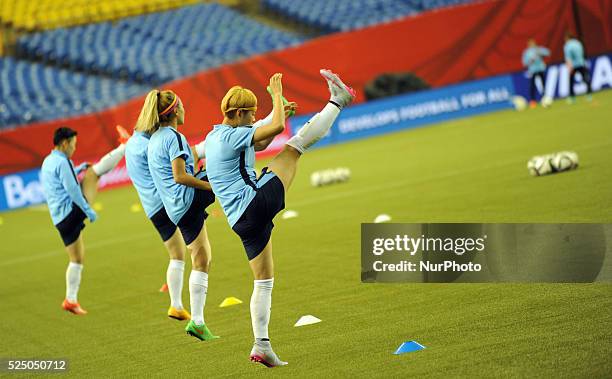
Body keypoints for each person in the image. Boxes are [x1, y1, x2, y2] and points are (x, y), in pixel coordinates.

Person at [204, 69, 354, 367]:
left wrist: (276, 113)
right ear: (236, 113)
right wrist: (275, 96)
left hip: (241, 222)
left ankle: (262, 346)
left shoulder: (215, 136)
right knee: (294, 147)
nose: (252, 118)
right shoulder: (232, 136)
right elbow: (273, 128)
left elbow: (257, 140)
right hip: (255, 204)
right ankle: (338, 101)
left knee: (263, 281)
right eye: (250, 114)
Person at [136, 89, 217, 341]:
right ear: (174, 111)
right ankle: (198, 320)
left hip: (175, 209)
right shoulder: (175, 138)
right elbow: (180, 176)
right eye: (182, 105)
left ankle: (197, 319)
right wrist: (209, 186)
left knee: (201, 257)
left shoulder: (154, 139)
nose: (185, 109)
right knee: (224, 169)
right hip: (188, 201)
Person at [41, 125, 130, 315]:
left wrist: (77, 168)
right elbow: (73, 190)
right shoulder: (62, 162)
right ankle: (124, 146)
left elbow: (58, 182)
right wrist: (88, 210)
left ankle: (70, 300)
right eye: (73, 144)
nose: (75, 148)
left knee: (77, 259)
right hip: (70, 212)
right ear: (64, 143)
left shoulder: (49, 161)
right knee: (93, 173)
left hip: (59, 219)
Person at [125, 123, 206, 322]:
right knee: (192, 254)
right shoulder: (149, 145)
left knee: (176, 255)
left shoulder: (131, 144)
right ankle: (184, 309)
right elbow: (169, 174)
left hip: (151, 207)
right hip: (165, 202)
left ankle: (176, 303)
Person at [564, 32, 592, 103]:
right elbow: (582, 53)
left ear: (567, 38)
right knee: (586, 78)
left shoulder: (567, 45)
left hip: (573, 65)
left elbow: (568, 58)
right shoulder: (578, 43)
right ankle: (589, 94)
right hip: (582, 63)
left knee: (571, 81)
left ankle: (572, 97)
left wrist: (569, 67)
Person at [522, 39, 550, 108]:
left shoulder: (538, 49)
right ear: (528, 45)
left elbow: (548, 53)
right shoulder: (527, 52)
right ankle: (533, 101)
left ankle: (545, 98)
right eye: (530, 44)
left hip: (540, 69)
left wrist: (540, 53)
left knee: (543, 85)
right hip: (533, 71)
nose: (532, 45)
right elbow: (524, 63)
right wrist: (530, 61)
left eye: (533, 43)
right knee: (532, 86)